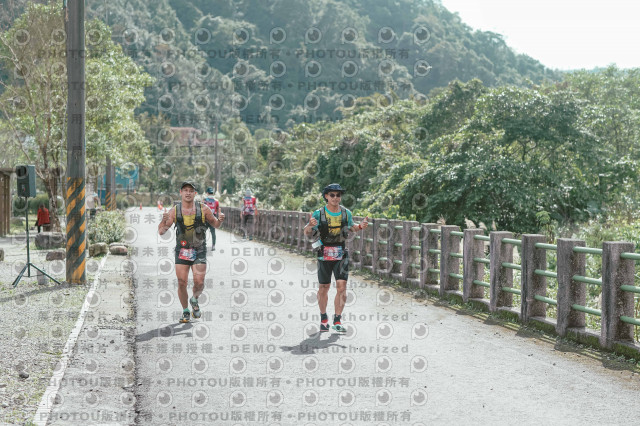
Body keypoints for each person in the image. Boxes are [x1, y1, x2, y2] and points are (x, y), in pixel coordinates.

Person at [303, 183, 368, 333]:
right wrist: (310, 225)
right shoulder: (319, 213)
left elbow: (352, 227)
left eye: (338, 195)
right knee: (324, 287)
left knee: (342, 287)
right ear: (326, 196)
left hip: (341, 253)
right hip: (324, 254)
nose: (335, 198)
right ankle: (323, 318)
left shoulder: (346, 213)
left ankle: (337, 320)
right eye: (332, 195)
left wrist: (360, 226)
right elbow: (306, 232)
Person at [158, 181, 225, 323]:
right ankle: (185, 311)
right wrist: (163, 221)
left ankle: (194, 299)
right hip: (181, 250)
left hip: (199, 250)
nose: (188, 193)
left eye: (190, 190)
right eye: (185, 190)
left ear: (195, 193)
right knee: (182, 282)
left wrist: (220, 220)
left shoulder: (204, 209)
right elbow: (161, 231)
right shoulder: (174, 211)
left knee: (199, 282)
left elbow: (215, 224)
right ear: (181, 192)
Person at [202, 187, 219, 251]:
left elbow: (202, 209)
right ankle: (213, 246)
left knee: (203, 231)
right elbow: (217, 210)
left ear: (207, 193)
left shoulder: (204, 201)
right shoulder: (216, 201)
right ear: (213, 193)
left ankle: (203, 245)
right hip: (213, 218)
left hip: (205, 218)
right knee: (213, 232)